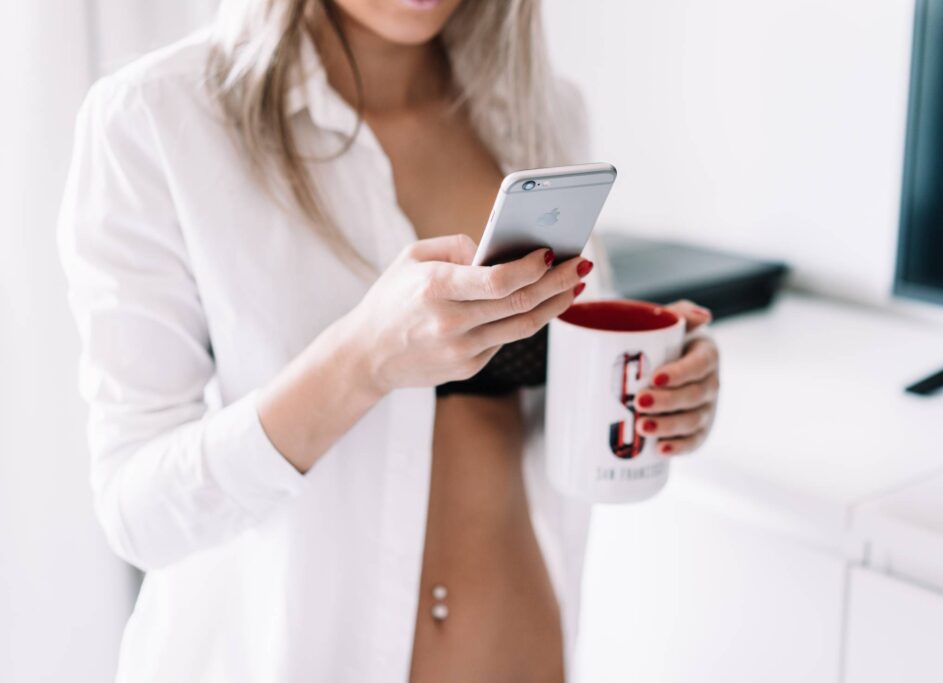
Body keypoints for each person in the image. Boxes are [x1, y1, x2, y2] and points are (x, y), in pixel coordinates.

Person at [57, 0, 721, 680]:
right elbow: (138, 514)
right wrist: (361, 362)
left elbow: (545, 416)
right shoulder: (157, 121)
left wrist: (655, 389)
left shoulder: (542, 112)